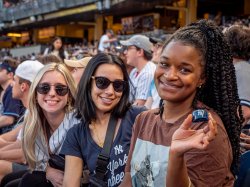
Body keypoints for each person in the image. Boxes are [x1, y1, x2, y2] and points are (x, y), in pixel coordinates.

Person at [119, 19, 243, 186]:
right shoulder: (144, 120)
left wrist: (176, 156)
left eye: (184, 69)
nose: (170, 75)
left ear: (202, 78)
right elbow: (128, 179)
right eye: (164, 64)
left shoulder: (206, 130)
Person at [60, 53, 146, 187]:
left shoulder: (138, 117)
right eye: (102, 82)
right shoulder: (76, 135)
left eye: (118, 85)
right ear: (88, 83)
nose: (110, 91)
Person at [17, 63, 79, 187]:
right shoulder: (32, 120)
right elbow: (35, 162)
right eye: (44, 88)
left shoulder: (79, 121)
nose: (52, 93)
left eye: (60, 89)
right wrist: (48, 170)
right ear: (35, 94)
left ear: (69, 95)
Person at [0, 60, 44, 182]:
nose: (11, 84)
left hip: (40, 168)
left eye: (14, 80)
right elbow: (20, 144)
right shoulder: (29, 110)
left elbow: (27, 154)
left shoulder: (40, 110)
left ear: (23, 86)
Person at [224, 25, 250, 127]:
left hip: (244, 133)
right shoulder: (239, 68)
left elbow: (245, 111)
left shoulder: (242, 70)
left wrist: (230, 132)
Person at [120, 35, 155, 106]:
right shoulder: (135, 70)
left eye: (129, 48)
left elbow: (139, 106)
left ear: (140, 52)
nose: (125, 52)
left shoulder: (147, 73)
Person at [0, 58, 25, 134]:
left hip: (11, 134)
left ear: (10, 75)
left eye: (0, 70)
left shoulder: (11, 90)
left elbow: (8, 119)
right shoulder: (5, 90)